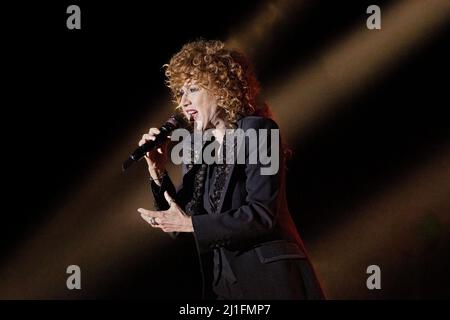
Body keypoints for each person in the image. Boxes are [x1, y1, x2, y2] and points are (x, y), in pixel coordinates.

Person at [137, 39, 325, 300]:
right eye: (180, 92)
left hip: (269, 278)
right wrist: (157, 172)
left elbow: (261, 214)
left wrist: (190, 223)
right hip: (221, 287)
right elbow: (181, 221)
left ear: (220, 86)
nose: (183, 103)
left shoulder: (260, 131)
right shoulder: (197, 147)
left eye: (192, 89)